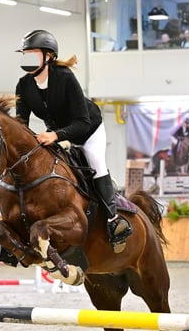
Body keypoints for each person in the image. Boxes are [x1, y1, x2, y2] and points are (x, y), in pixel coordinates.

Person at [14, 29, 132, 252]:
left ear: (48, 56)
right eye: (25, 53)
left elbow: (82, 123)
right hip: (57, 134)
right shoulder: (24, 85)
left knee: (95, 163)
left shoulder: (65, 78)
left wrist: (55, 135)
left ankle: (113, 220)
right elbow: (22, 124)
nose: (27, 57)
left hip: (88, 130)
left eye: (32, 52)